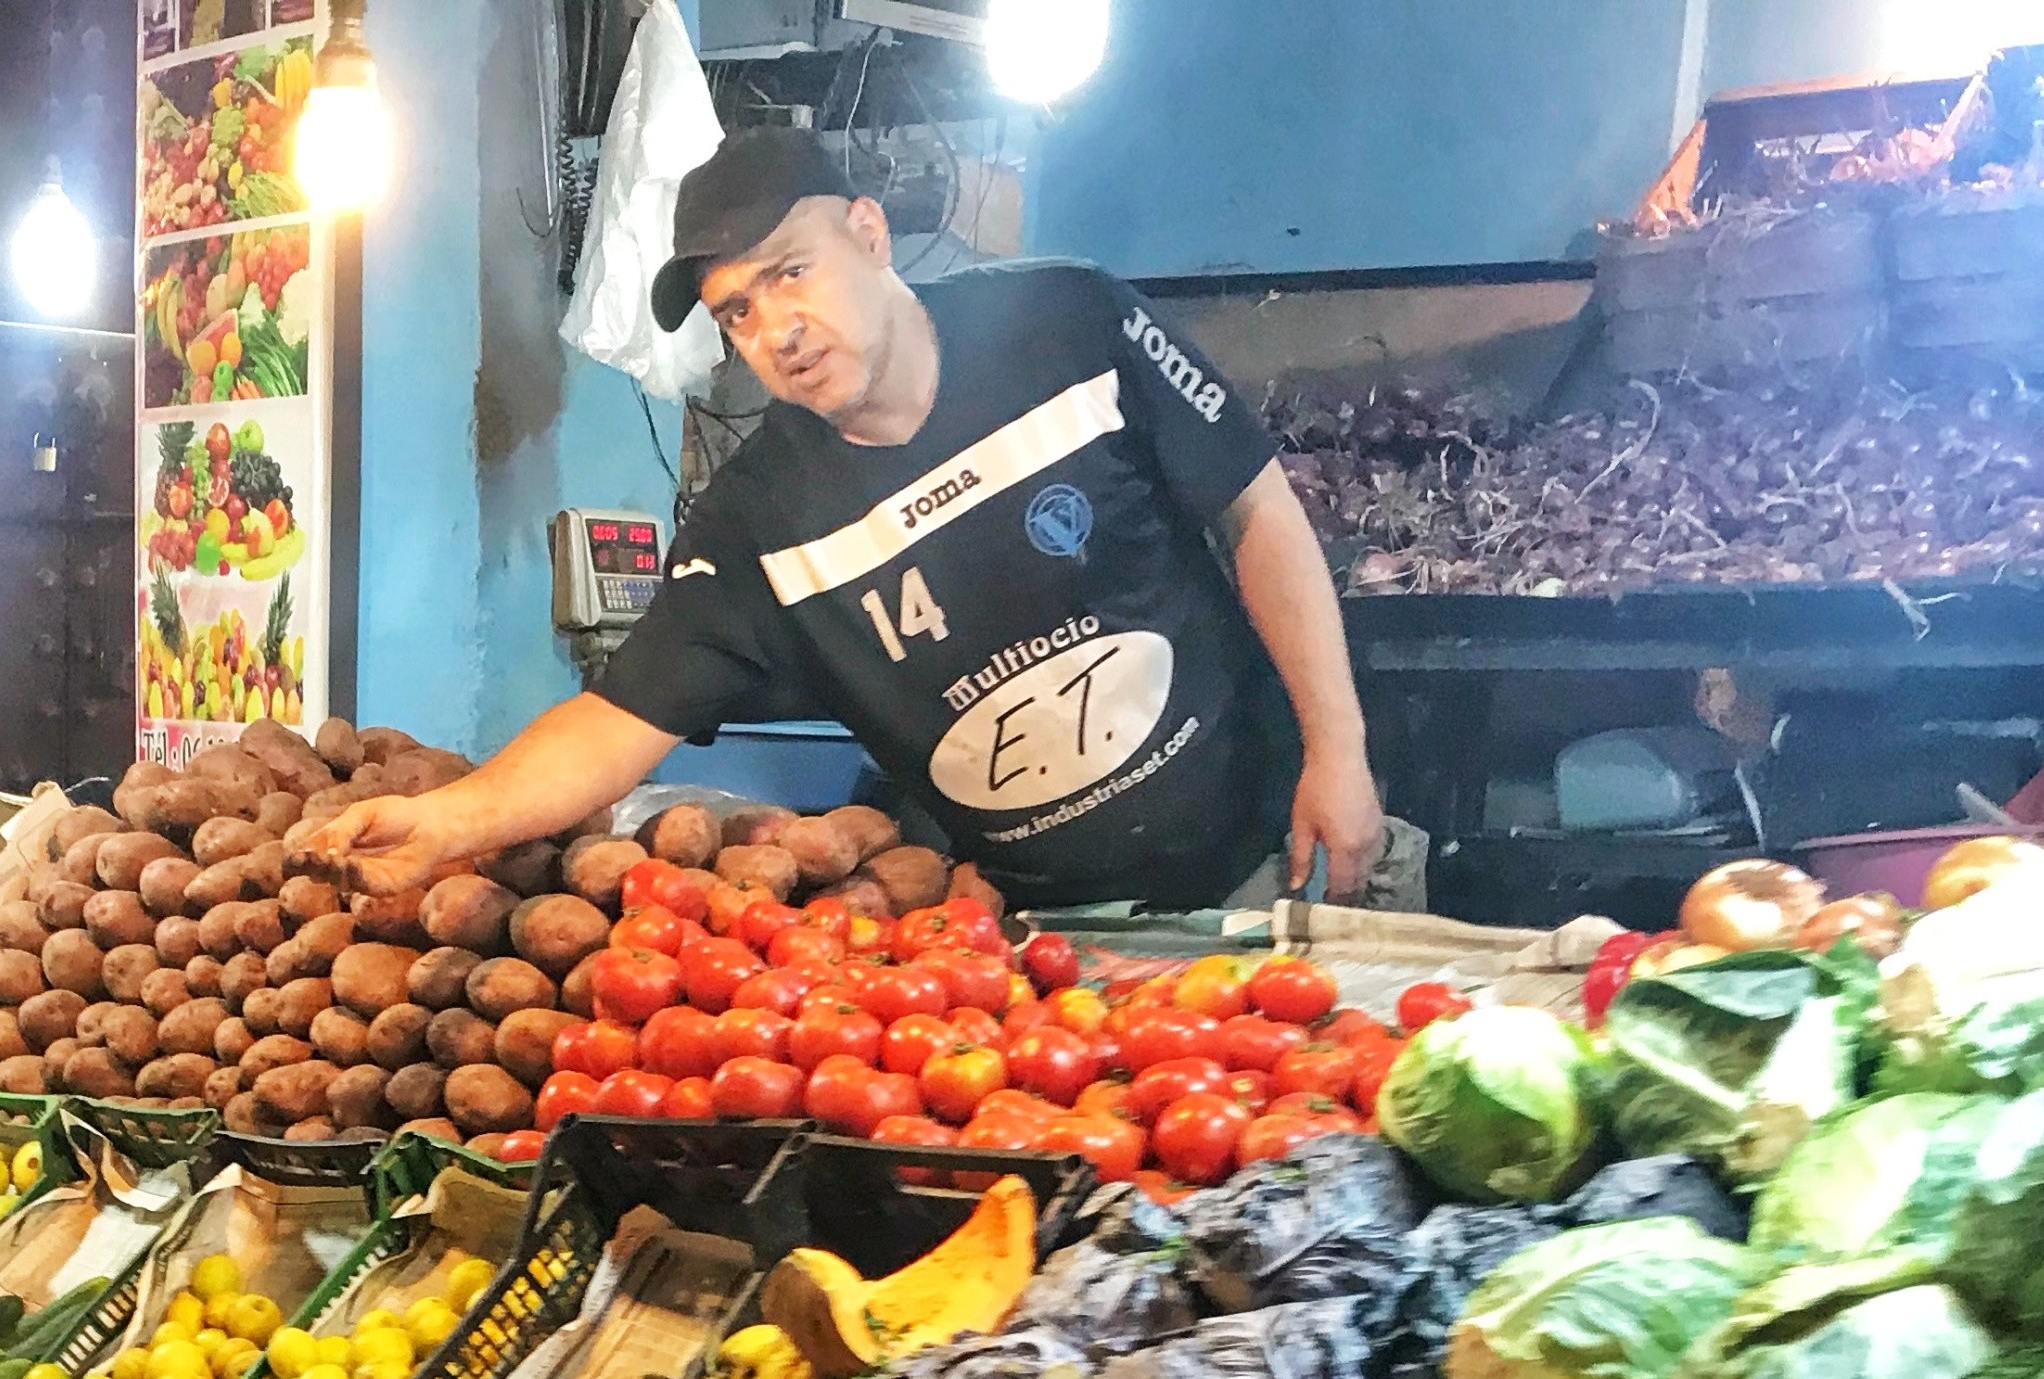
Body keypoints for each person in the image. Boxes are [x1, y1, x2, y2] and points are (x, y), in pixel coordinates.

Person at [314, 134, 1409, 917]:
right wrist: (447, 823)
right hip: (1052, 938)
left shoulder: (1068, 322)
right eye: (736, 309)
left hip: (1278, 857)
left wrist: (1340, 748)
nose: (774, 329)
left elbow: (1256, 510)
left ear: (870, 236)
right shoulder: (756, 521)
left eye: (792, 272)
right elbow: (616, 720)